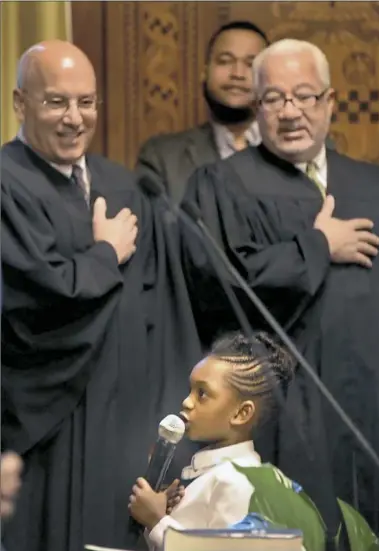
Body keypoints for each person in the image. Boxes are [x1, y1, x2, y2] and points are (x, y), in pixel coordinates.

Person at [179, 39, 379, 533]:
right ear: (256, 107)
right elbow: (221, 282)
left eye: (305, 96)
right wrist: (318, 246)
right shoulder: (221, 185)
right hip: (292, 412)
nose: (290, 111)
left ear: (330, 101)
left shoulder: (377, 185)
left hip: (378, 405)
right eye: (274, 99)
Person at [1, 40, 201, 551]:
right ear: (20, 103)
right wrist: (105, 256)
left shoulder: (125, 187)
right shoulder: (7, 184)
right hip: (46, 429)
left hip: (125, 422)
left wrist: (166, 427)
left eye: (86, 102)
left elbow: (163, 310)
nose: (74, 118)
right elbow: (30, 300)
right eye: (55, 102)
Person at [128, 332, 294, 550]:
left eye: (202, 394)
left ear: (241, 413)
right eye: (191, 391)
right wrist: (160, 515)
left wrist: (158, 522)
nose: (187, 402)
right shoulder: (215, 475)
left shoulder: (239, 481)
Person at [136, 21, 269, 203]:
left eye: (251, 64)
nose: (237, 73)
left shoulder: (295, 152)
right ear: (204, 72)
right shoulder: (161, 158)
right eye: (225, 61)